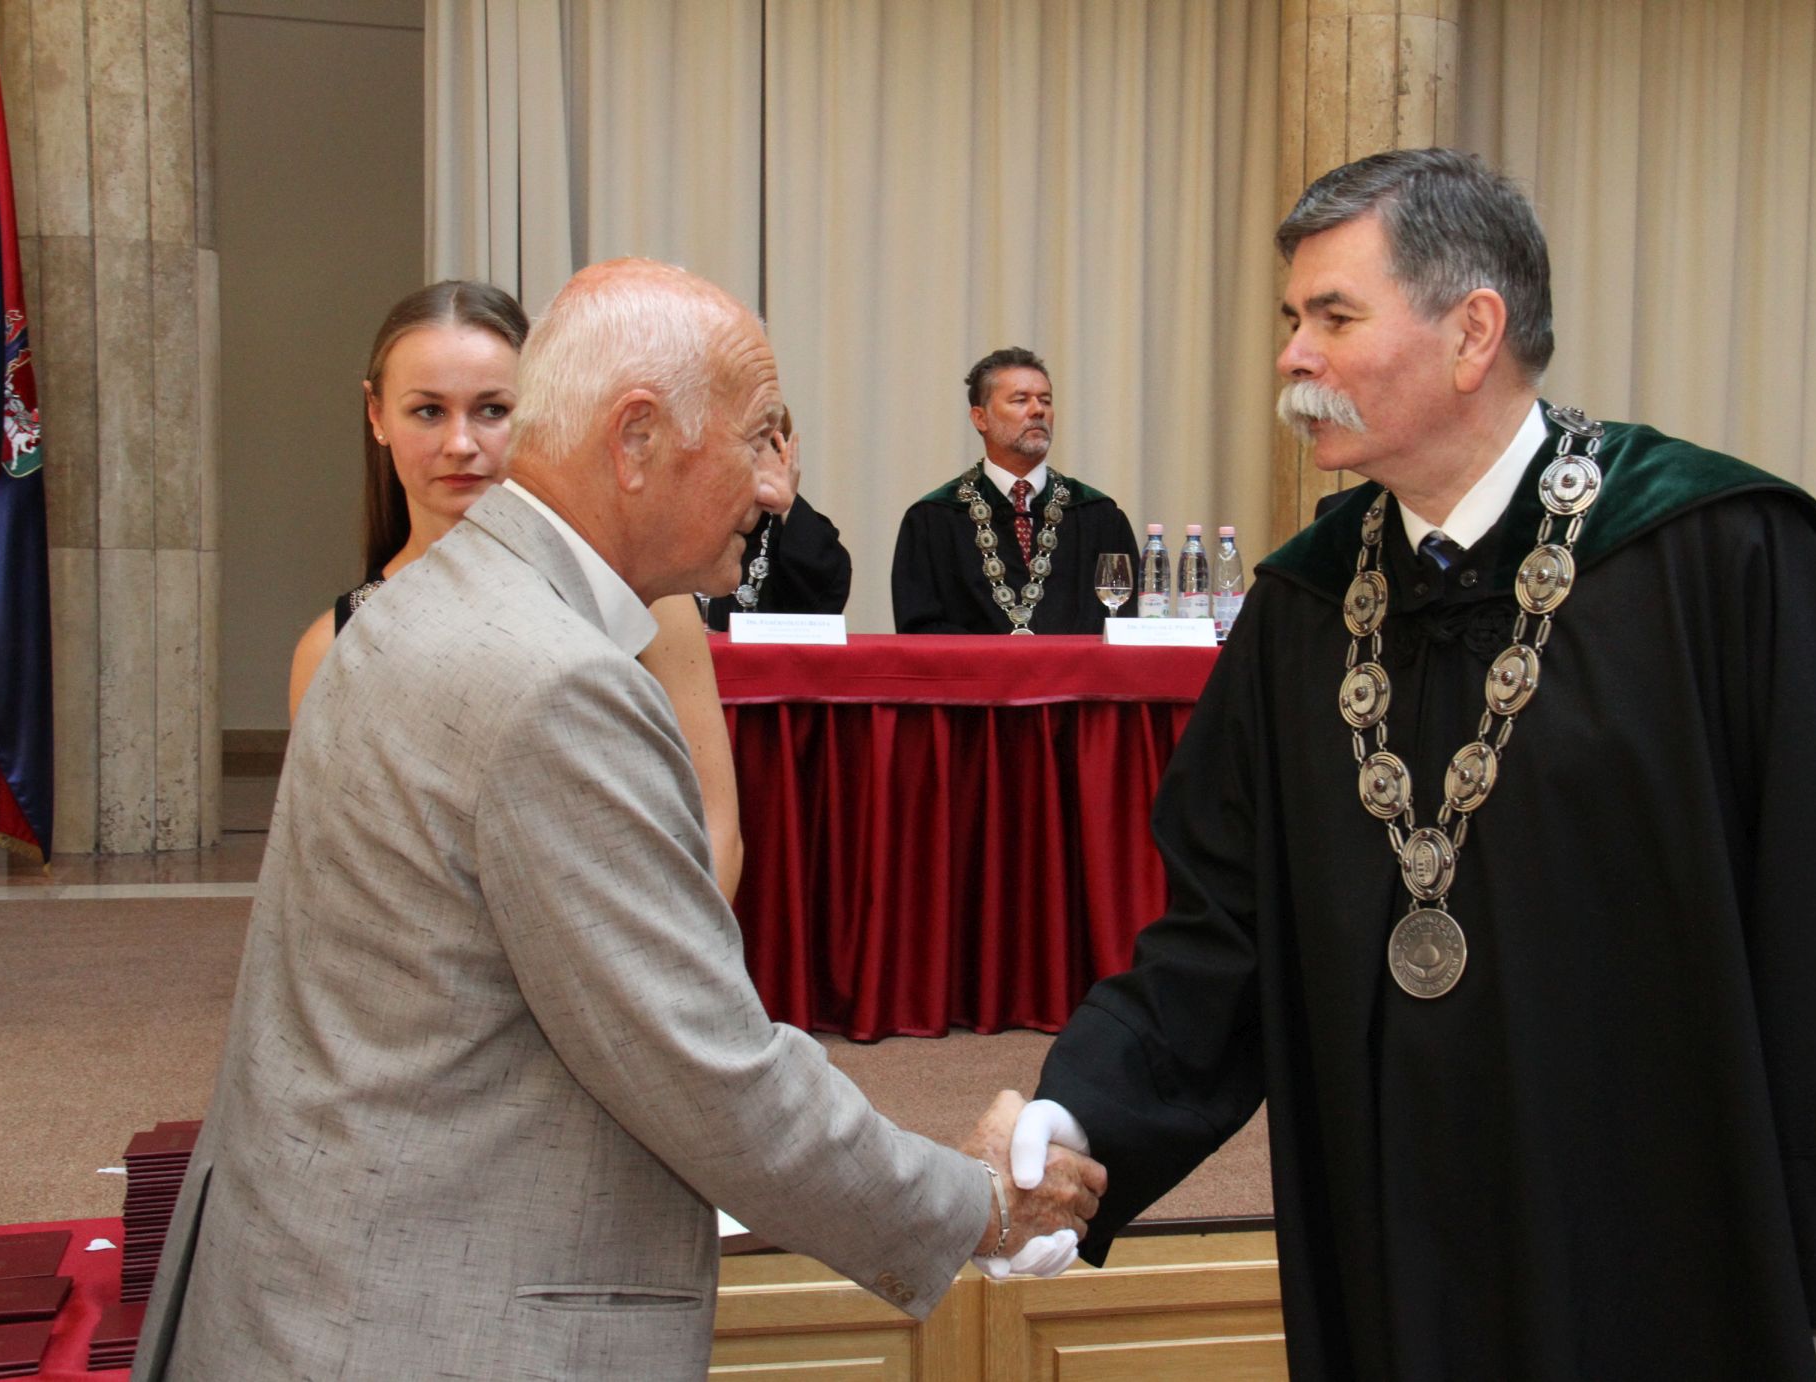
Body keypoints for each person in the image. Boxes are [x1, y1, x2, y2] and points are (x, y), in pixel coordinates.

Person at [999, 150, 1816, 1378]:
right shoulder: (1303, 609)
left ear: (1472, 332)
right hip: (1403, 1241)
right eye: (1291, 320)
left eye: (1332, 317)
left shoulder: (1718, 556)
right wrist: (1080, 1115)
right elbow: (1221, 934)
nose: (1291, 356)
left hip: (1674, 1246)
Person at [131, 260, 1106, 1382]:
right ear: (636, 438)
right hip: (428, 1317)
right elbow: (707, 1074)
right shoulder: (555, 682)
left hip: (326, 1264)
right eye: (756, 439)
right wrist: (978, 1202)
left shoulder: (432, 602)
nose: (775, 489)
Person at [287, 280, 747, 898]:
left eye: (492, 410)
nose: (460, 444)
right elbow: (347, 876)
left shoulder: (649, 601)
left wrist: (663, 950)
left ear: (538, 412)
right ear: (377, 415)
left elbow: (714, 825)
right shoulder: (335, 646)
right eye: (428, 411)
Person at [891, 347, 1140, 634]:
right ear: (980, 418)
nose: (1038, 410)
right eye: (1020, 400)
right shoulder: (933, 519)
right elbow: (920, 630)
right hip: (975, 666)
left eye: (1045, 400)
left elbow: (1126, 622)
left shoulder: (1098, 516)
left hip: (1077, 665)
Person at [702, 405, 854, 631]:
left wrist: (788, 503)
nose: (758, 459)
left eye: (771, 446)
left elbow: (825, 597)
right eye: (748, 443)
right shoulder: (675, 518)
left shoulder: (792, 529)